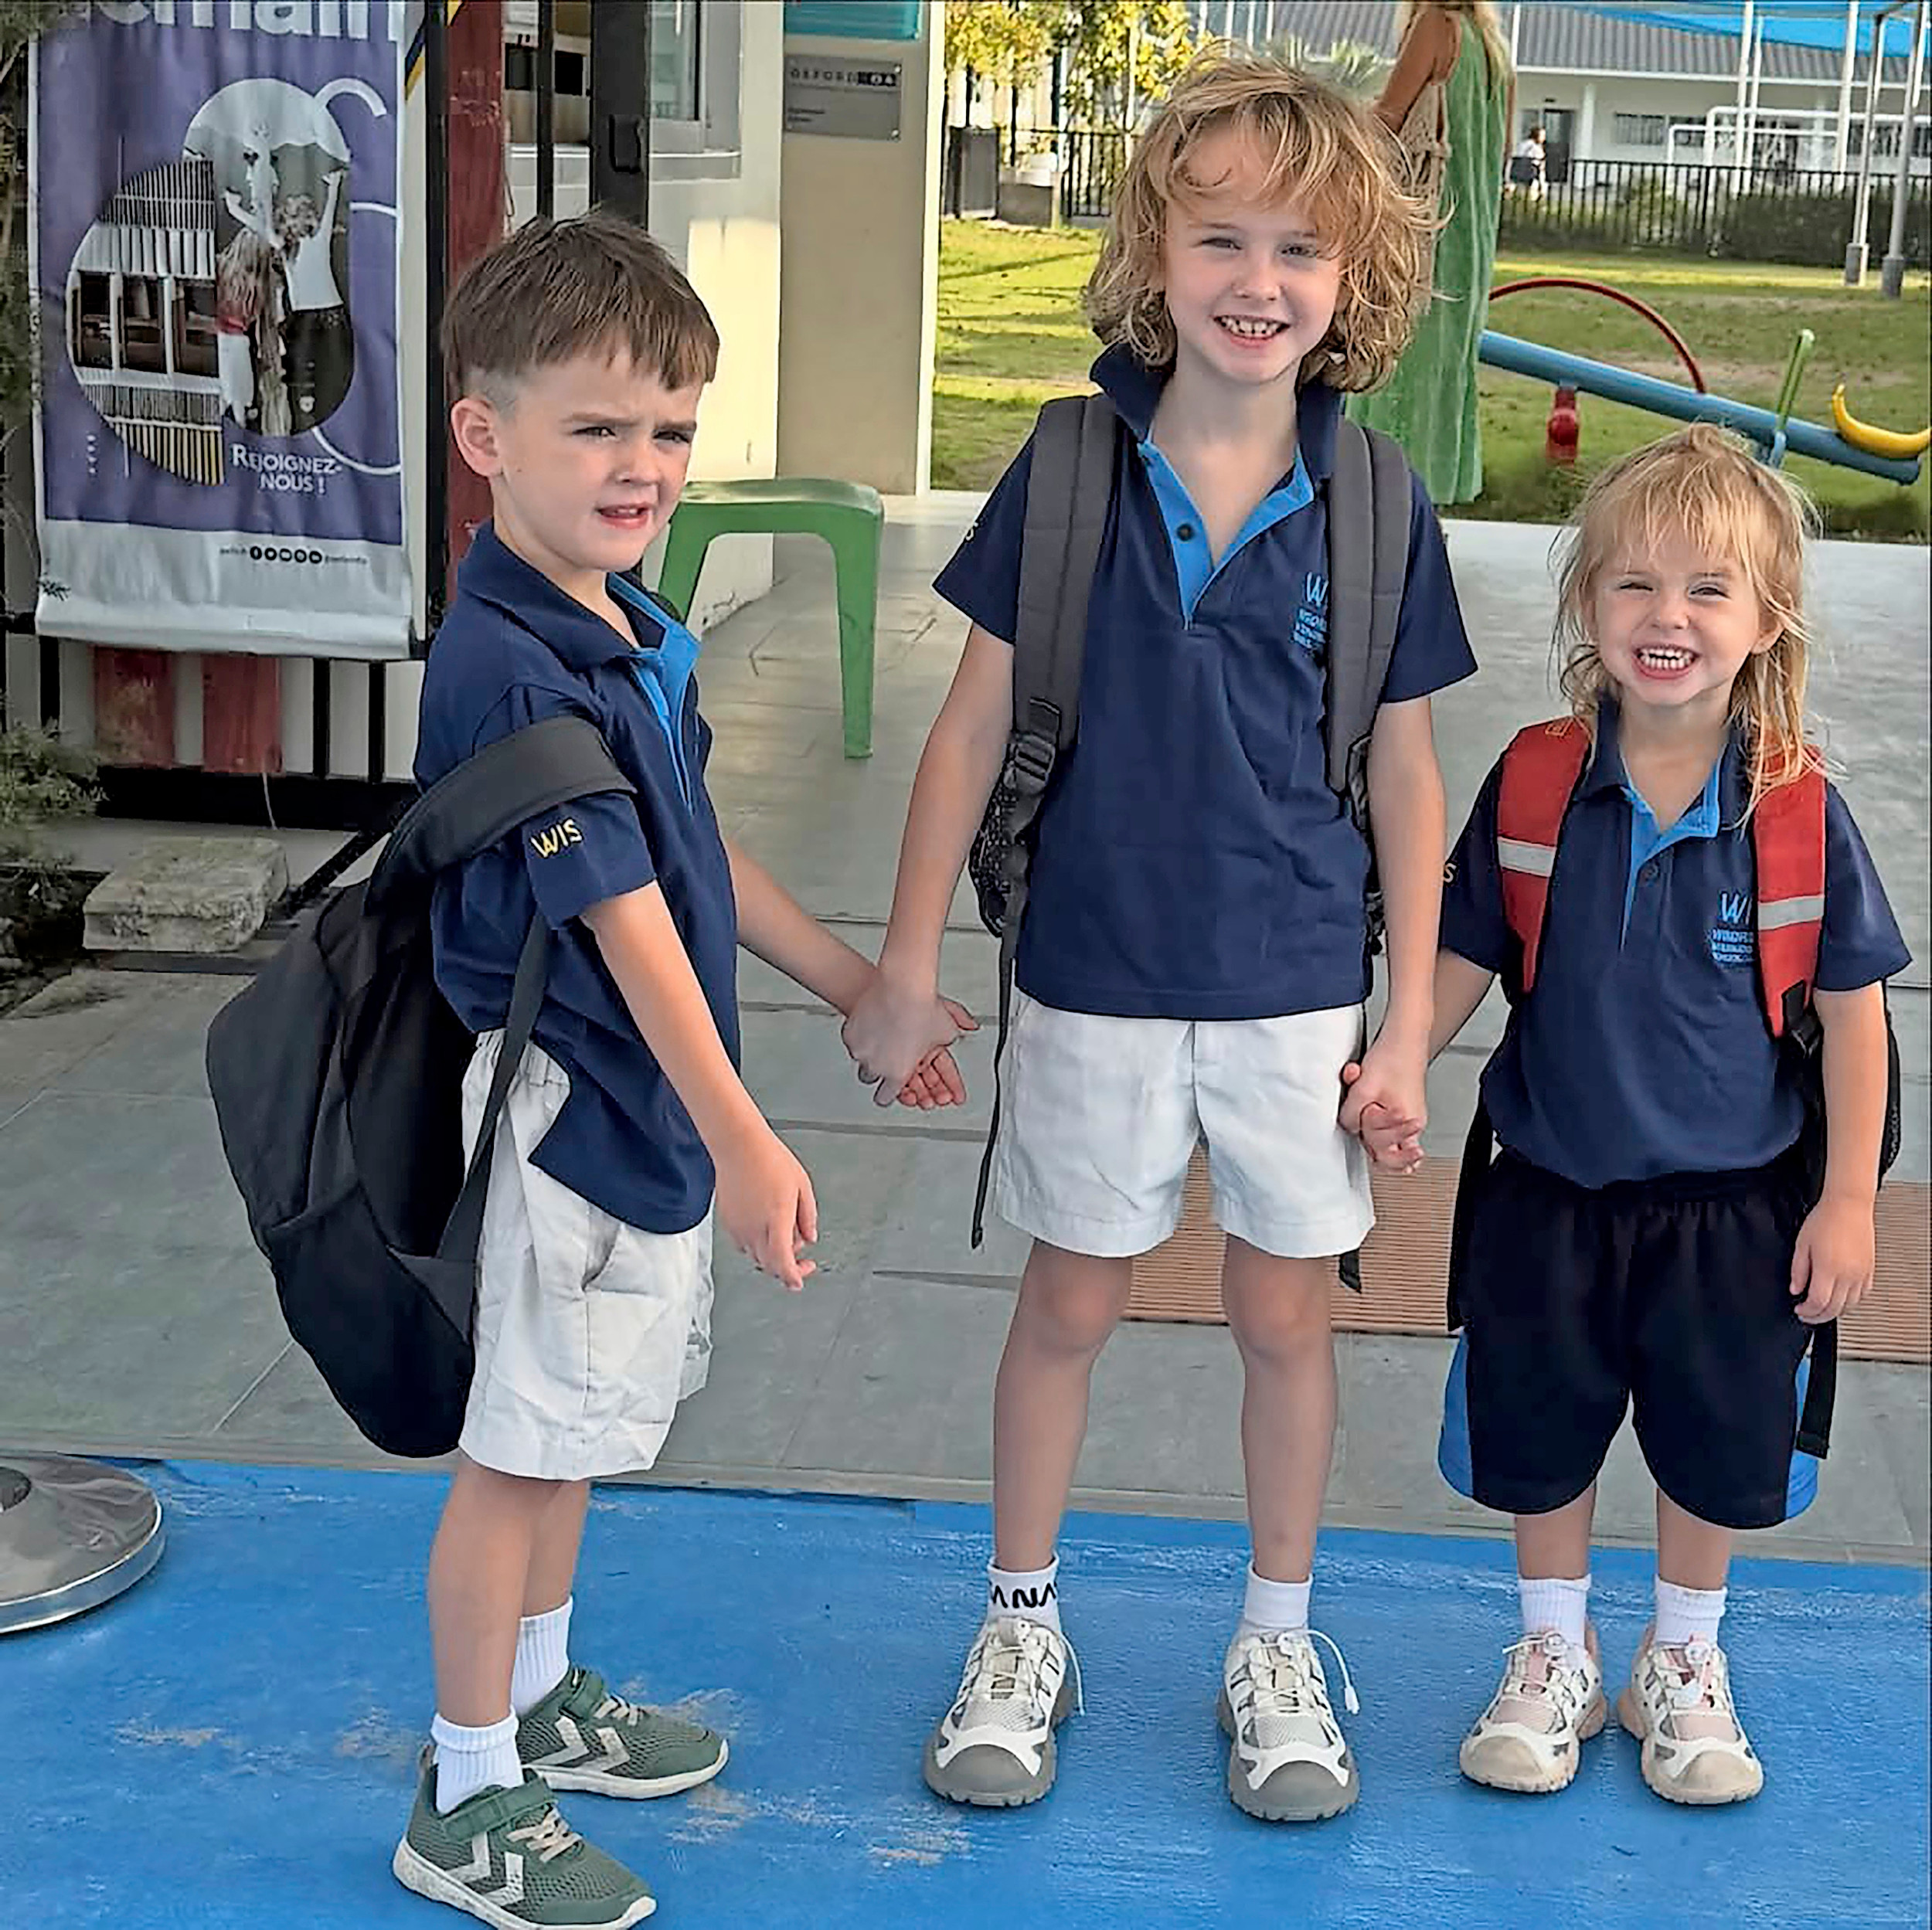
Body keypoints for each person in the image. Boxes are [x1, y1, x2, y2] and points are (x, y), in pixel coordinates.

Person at [838, 49, 1474, 1823]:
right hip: (1091, 977)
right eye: (1222, 238)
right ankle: (1022, 1619)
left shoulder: (1377, 501)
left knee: (1286, 1315)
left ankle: (1276, 1634)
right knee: (1068, 1298)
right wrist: (904, 964)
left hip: (1292, 996)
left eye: (1302, 248)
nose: (1259, 280)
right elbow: (968, 729)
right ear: (1154, 249)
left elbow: (1413, 787)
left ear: (1354, 284)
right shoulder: (1063, 471)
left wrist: (1410, 1020)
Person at [393, 211, 969, 1928]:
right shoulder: (507, 666)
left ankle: (543, 1690)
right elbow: (627, 921)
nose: (640, 464)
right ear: (485, 437)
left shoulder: (621, 619)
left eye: (666, 428)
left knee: (572, 1431)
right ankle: (465, 1781)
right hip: (575, 1110)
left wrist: (858, 977)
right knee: (517, 1444)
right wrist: (741, 1132)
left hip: (637, 1108)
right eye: (595, 429)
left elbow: (693, 841)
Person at [1369, 425, 1907, 1805]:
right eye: (1635, 586)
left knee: (1714, 1439)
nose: (1669, 618)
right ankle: (1553, 1652)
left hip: (1735, 1209)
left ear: (1766, 621)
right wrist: (1398, 1058)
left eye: (1708, 589)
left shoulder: (1798, 811)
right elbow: (1469, 956)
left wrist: (1848, 1197)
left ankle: (1681, 1654)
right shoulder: (1540, 782)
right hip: (1548, 1186)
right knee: (1538, 1428)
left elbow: (1857, 1017)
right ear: (1586, 604)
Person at [1345, 1, 1512, 508]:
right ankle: (1427, 508)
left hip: (1424, 234)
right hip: (1472, 237)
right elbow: (1499, 152)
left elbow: (1386, 122)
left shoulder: (1435, 26)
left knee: (1395, 361)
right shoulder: (1494, 51)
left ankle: (1386, 506)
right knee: (1444, 373)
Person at [277, 168, 350, 429]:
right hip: (314, 317)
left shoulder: (308, 243)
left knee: (328, 379)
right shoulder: (285, 249)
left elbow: (329, 214)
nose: (305, 221)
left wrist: (334, 186)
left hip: (326, 315)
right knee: (309, 382)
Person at [1509, 121, 1547, 197]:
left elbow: (1514, 156)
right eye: (1543, 135)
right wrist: (1542, 184)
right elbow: (1539, 165)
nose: (1544, 138)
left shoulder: (1522, 144)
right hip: (1529, 176)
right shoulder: (1536, 148)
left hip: (1516, 173)